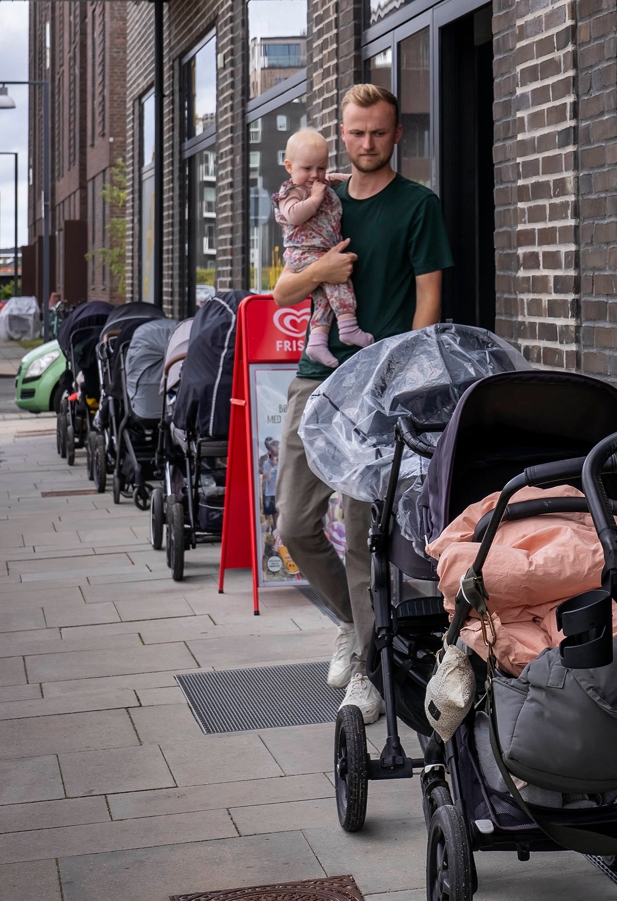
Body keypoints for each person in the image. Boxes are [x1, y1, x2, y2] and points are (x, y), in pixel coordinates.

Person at [272, 84, 454, 724]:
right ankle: (352, 623)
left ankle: (370, 674)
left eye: (378, 132)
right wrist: (320, 274)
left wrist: (406, 381)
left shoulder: (417, 205)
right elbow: (282, 293)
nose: (367, 143)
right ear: (342, 133)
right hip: (315, 382)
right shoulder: (319, 196)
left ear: (397, 134)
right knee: (294, 525)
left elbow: (429, 302)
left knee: (360, 538)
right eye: (356, 132)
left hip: (379, 388)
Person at [273, 130, 373, 368]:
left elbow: (334, 179)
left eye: (321, 168)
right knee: (339, 279)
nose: (315, 175)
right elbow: (293, 215)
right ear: (289, 167)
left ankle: (317, 341)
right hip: (304, 253)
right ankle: (348, 327)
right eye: (307, 168)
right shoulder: (291, 191)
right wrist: (315, 199)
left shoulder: (319, 182)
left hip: (319, 250)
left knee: (324, 298)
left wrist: (353, 179)